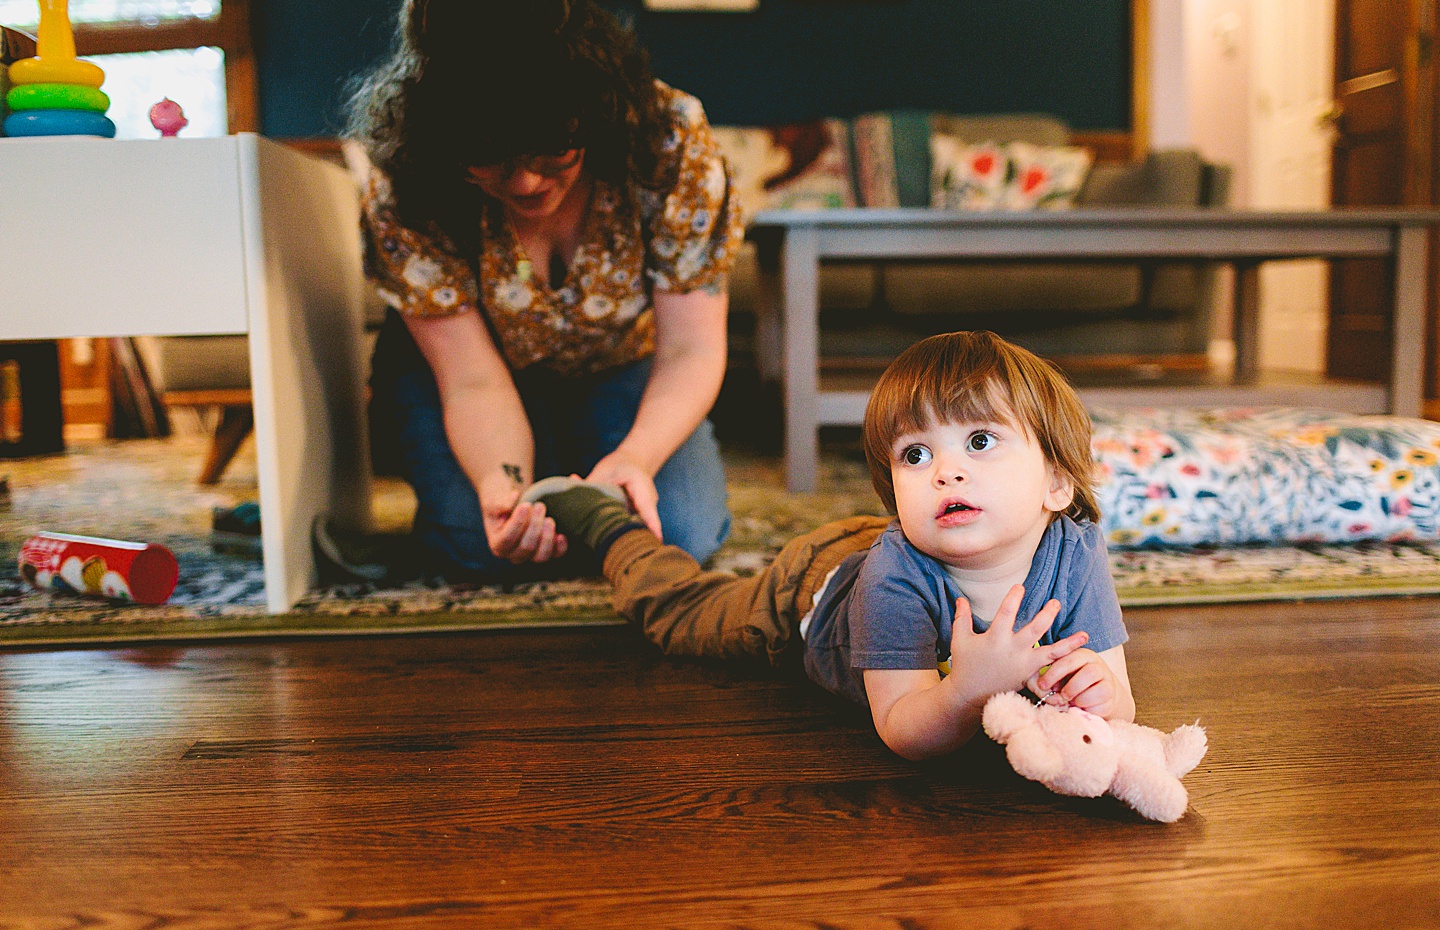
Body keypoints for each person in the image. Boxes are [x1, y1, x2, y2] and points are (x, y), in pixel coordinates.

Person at [526, 331, 1134, 761]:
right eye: (915, 455)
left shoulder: (1075, 551)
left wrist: (1097, 695)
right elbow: (902, 729)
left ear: (1058, 482)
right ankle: (609, 526)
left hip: (877, 548)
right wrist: (968, 690)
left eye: (979, 441)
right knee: (686, 616)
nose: (944, 472)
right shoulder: (897, 577)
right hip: (810, 590)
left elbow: (1120, 704)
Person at [345, 0, 744, 582]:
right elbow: (472, 380)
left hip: (618, 363)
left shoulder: (669, 139)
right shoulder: (407, 178)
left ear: (593, 108)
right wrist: (500, 484)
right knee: (481, 546)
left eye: (552, 148)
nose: (526, 182)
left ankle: (571, 467)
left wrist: (635, 457)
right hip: (468, 376)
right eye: (485, 157)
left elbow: (692, 349)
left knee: (677, 532)